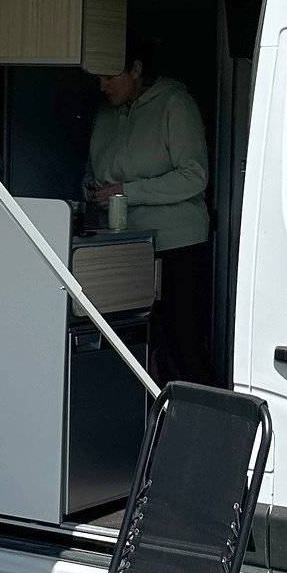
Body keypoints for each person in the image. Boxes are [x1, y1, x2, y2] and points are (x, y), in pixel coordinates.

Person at [87, 37, 212, 384]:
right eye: (98, 78)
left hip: (174, 245)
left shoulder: (174, 103)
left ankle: (199, 422)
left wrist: (127, 191)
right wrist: (95, 190)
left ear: (136, 70)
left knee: (181, 342)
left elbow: (194, 176)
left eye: (110, 76)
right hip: (121, 243)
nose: (103, 85)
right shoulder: (107, 113)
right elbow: (98, 170)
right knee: (132, 341)